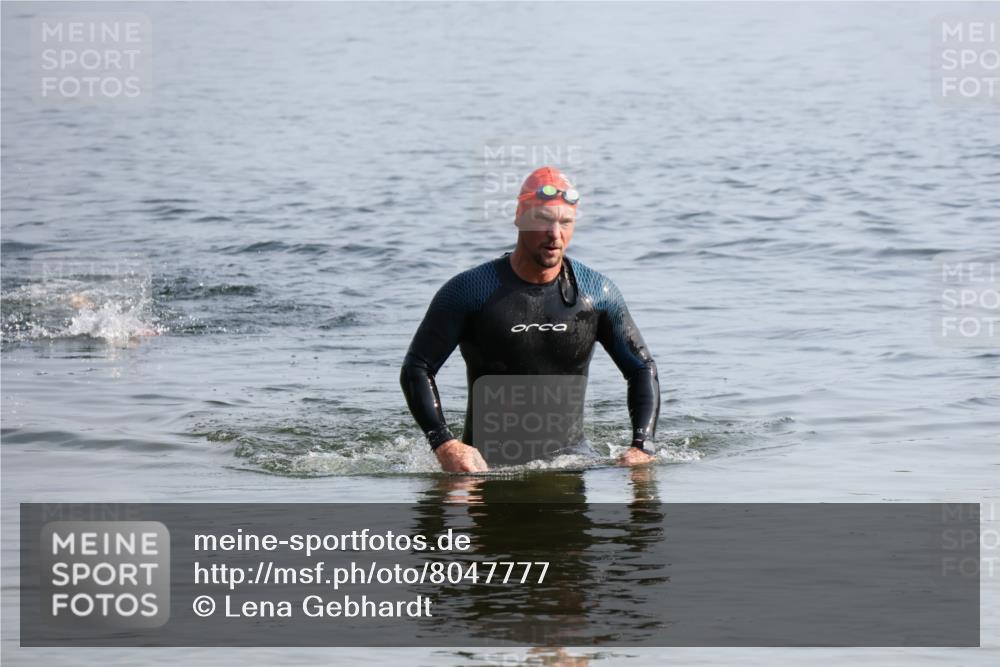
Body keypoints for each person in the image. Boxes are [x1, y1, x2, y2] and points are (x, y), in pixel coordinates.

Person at [400, 166, 660, 472]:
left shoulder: (596, 293)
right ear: (519, 216)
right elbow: (417, 367)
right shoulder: (471, 291)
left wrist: (642, 446)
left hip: (573, 465)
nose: (555, 234)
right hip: (484, 469)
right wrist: (445, 444)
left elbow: (642, 368)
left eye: (565, 222)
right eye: (543, 220)